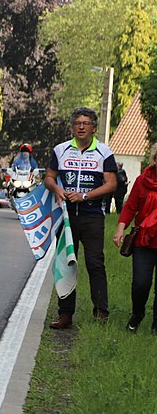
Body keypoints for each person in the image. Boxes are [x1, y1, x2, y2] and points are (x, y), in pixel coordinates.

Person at [43, 107, 119, 329]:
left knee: (95, 262)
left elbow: (111, 184)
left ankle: (101, 312)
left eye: (86, 123)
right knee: (66, 263)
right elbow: (49, 176)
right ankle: (65, 314)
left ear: (94, 127)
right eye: (78, 123)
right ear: (72, 127)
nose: (82, 126)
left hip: (92, 215)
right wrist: (57, 189)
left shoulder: (104, 152)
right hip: (66, 217)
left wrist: (85, 195)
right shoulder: (61, 150)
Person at [113, 147, 157, 333]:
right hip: (144, 241)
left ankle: (156, 326)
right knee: (141, 283)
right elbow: (130, 207)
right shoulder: (142, 181)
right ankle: (137, 315)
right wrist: (120, 229)